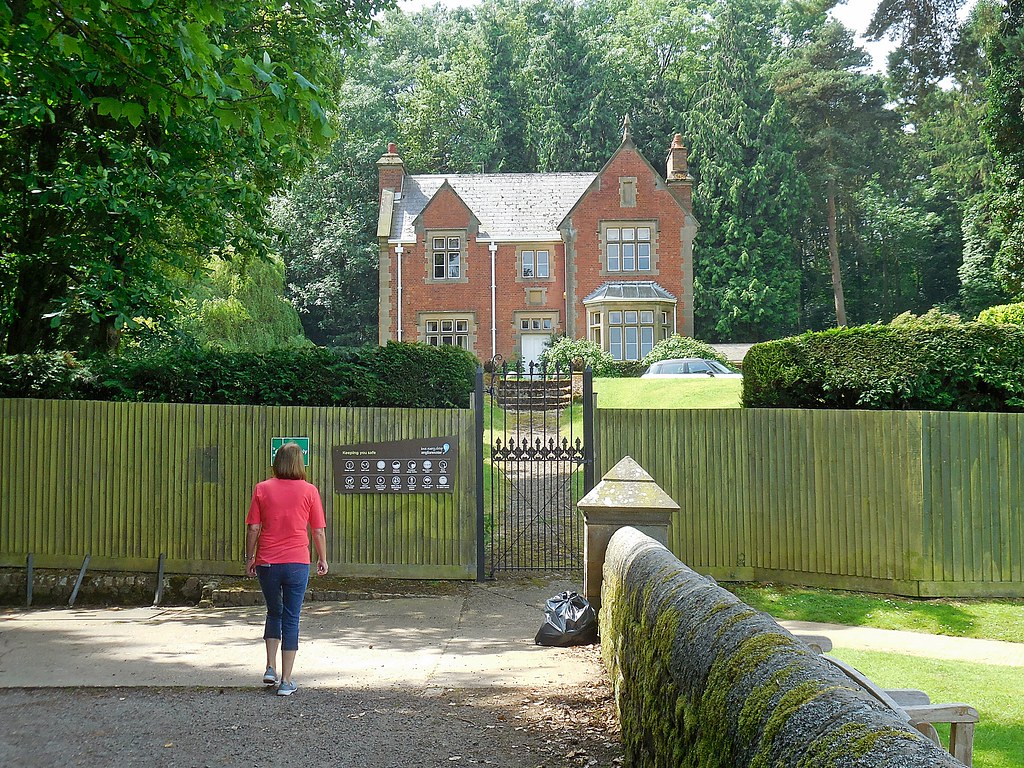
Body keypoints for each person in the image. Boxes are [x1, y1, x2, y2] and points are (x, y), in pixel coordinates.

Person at [245, 442, 328, 696]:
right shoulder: (309, 491)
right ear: (299, 463)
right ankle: (286, 680)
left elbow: (253, 529)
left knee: (273, 611)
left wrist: (250, 557)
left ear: (277, 462)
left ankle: (270, 667)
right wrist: (322, 558)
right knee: (291, 617)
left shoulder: (262, 488)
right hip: (297, 563)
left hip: (268, 562)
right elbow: (317, 530)